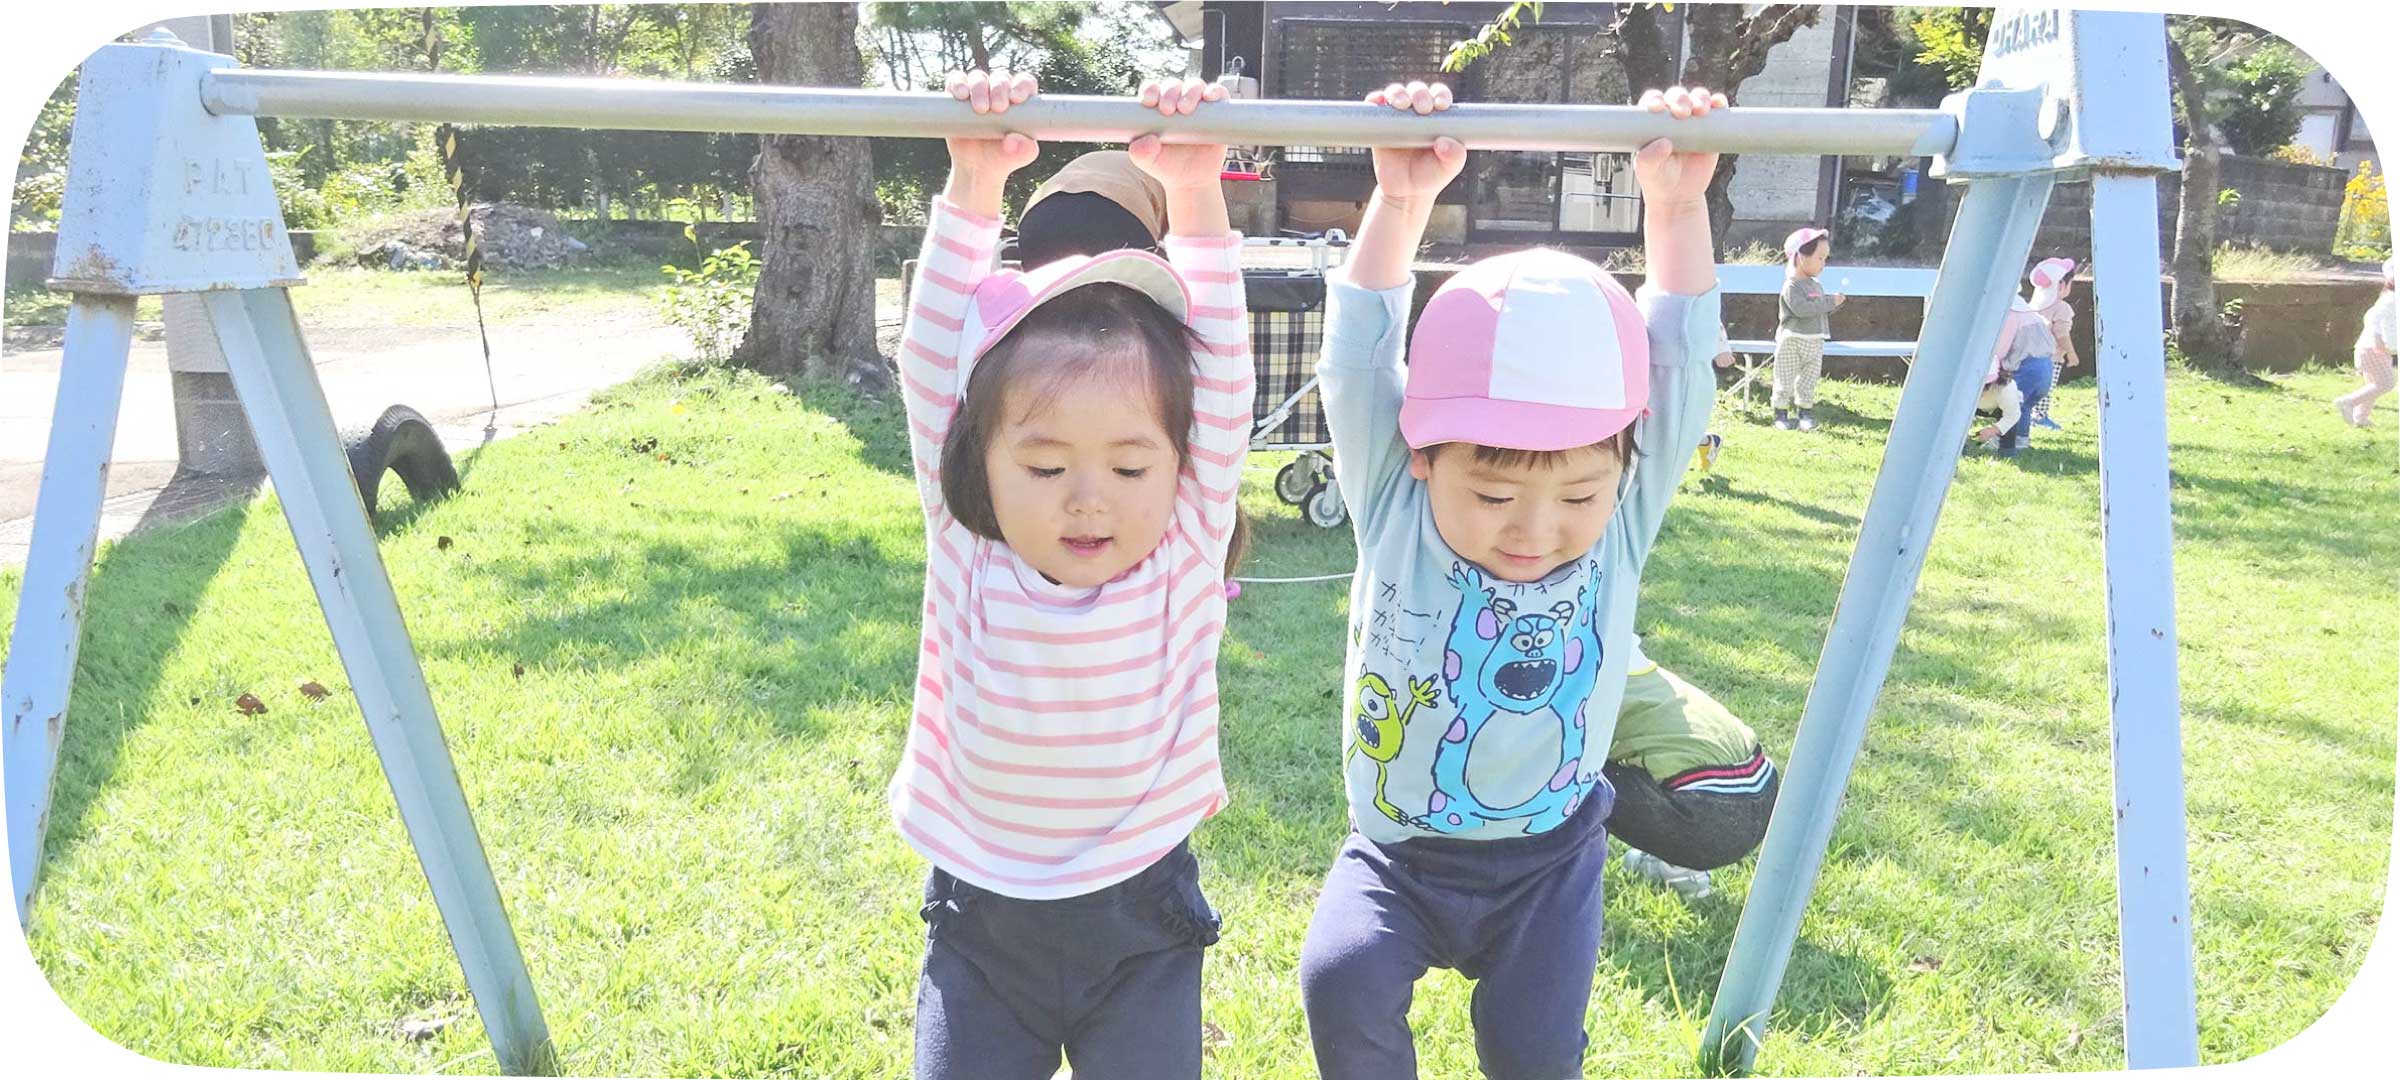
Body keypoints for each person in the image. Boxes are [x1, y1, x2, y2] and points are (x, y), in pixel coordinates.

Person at [1295, 80, 1729, 1080]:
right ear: (1421, 455)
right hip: (1398, 855)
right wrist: (1400, 202)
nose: (1537, 529)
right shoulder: (1397, 509)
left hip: (1550, 866)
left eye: (1576, 493)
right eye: (1493, 495)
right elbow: (1355, 367)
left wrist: (1676, 208)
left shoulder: (1621, 524)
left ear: (1622, 469)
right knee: (1340, 981)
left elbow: (1681, 364)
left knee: (1533, 1055)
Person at [889, 70, 1250, 1080]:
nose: (1090, 501)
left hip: (1139, 922)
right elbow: (928, 366)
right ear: (981, 465)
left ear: (1177, 466)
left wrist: (1195, 191)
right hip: (982, 927)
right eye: (1046, 469)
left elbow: (1224, 373)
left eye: (1129, 469)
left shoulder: (1180, 548)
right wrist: (974, 184)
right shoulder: (973, 547)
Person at [1604, 637, 1781, 901]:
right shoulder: (1646, 676)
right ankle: (1678, 870)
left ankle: (1566, 883)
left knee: (1571, 775)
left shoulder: (1585, 675)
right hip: (1764, 792)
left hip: (1703, 811)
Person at [1771, 226, 1844, 431]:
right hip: (1792, 339)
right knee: (1785, 377)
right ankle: (1780, 413)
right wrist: (1829, 302)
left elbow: (1818, 311)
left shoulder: (1815, 285)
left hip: (1815, 340)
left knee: (1809, 379)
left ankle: (1805, 413)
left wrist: (1833, 304)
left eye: (1825, 258)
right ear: (1801, 257)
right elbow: (1802, 309)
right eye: (1819, 258)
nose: (1823, 263)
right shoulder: (1792, 286)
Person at [2334, 257, 2398, 428]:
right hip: (2374, 350)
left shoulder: (2387, 299)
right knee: (2385, 383)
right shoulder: (2391, 302)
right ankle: (2348, 402)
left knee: (2373, 385)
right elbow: (2387, 330)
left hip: (2371, 348)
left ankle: (2360, 417)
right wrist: (2392, 347)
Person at [2024, 257, 2081, 429]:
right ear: (2061, 285)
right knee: (2046, 388)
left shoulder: (2032, 306)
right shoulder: (2062, 308)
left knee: (2030, 387)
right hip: (2052, 357)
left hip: (2028, 356)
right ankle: (2039, 416)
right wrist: (2071, 353)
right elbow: (2062, 334)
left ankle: (2027, 413)